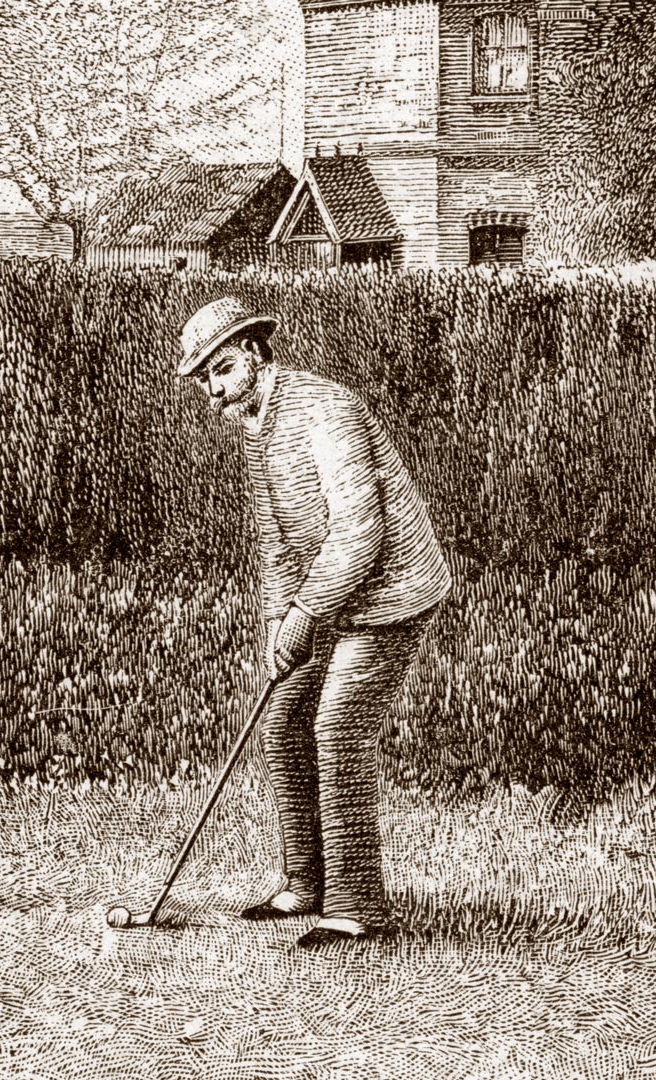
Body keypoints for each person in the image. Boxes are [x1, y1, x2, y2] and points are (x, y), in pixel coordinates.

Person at [174, 296, 451, 947]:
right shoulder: (256, 425)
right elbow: (276, 541)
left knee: (338, 724)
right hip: (331, 596)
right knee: (283, 717)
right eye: (206, 379)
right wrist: (280, 622)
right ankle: (307, 883)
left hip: (392, 592)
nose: (213, 392)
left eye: (220, 372)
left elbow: (361, 529)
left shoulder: (326, 410)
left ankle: (357, 903)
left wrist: (305, 614)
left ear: (255, 354)